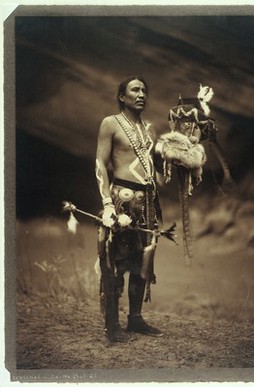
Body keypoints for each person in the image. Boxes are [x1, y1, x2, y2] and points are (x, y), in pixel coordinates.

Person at [95, 75, 164, 342]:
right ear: (122, 97)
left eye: (144, 90)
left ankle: (135, 319)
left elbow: (155, 172)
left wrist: (178, 168)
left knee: (143, 262)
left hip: (147, 201)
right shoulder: (110, 123)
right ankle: (111, 324)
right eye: (134, 90)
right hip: (121, 199)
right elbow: (100, 163)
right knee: (116, 263)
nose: (141, 94)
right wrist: (107, 203)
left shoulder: (150, 129)